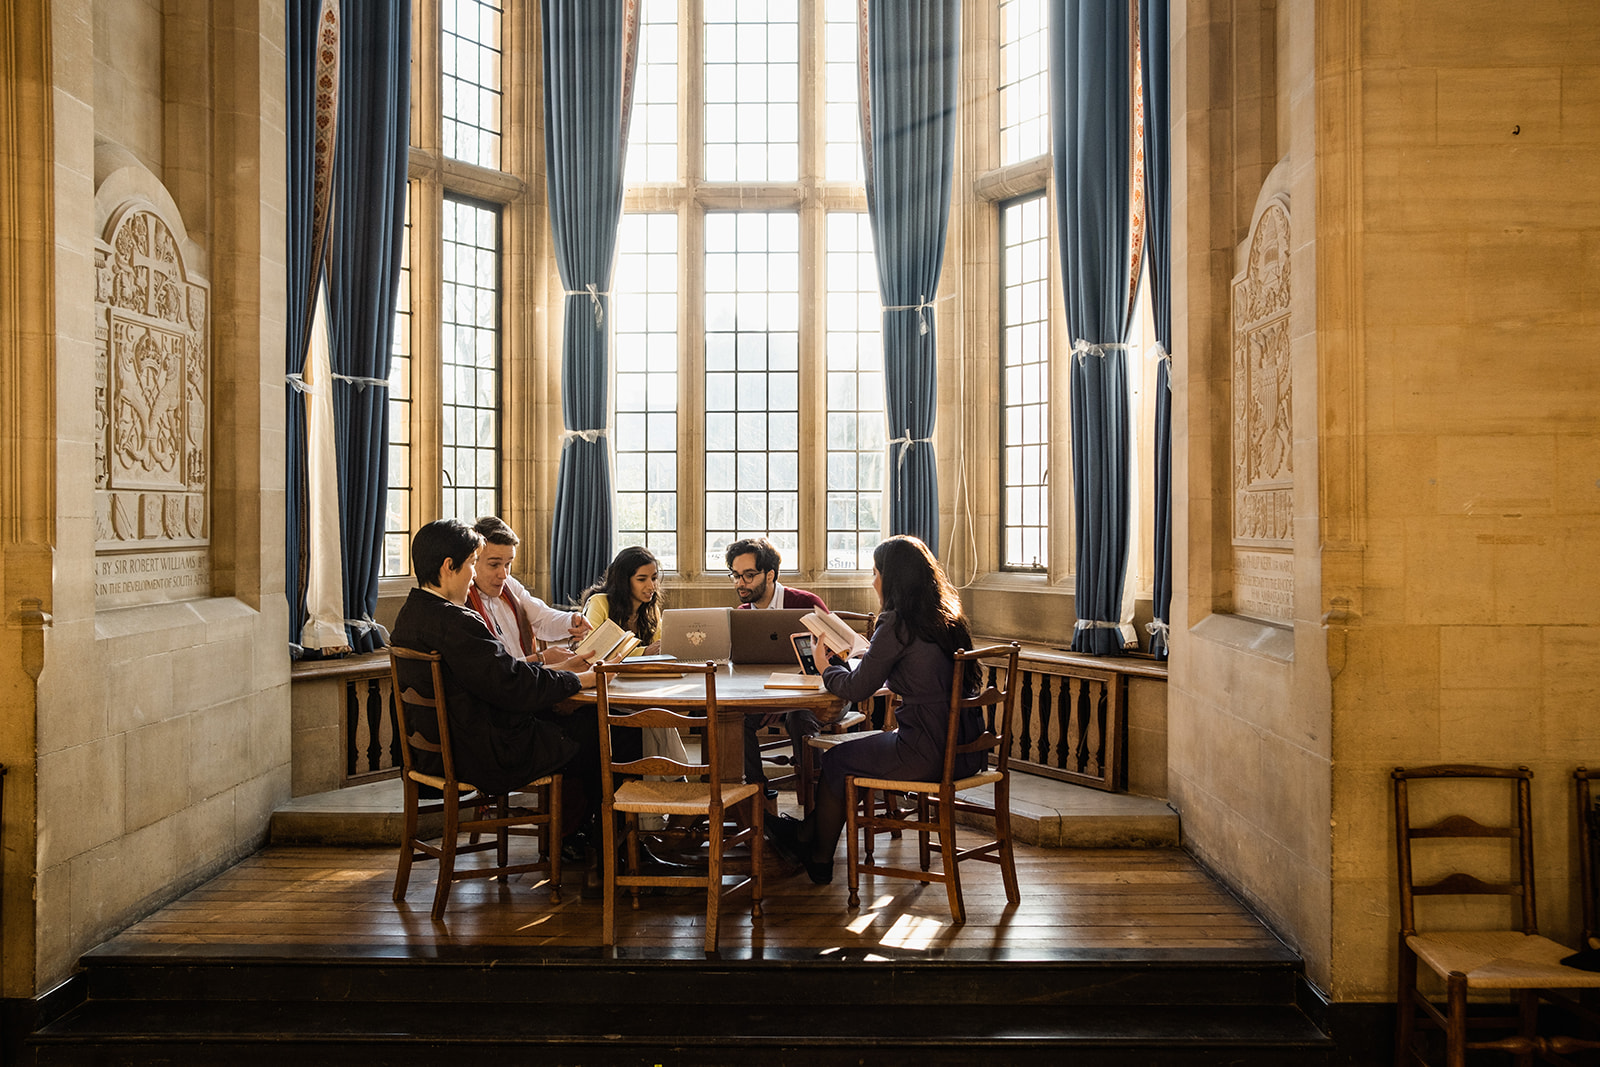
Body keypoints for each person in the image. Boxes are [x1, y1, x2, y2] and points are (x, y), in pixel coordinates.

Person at [390, 519, 605, 875]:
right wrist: (577, 679)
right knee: (603, 734)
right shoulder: (457, 621)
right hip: (482, 754)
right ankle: (608, 855)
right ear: (449, 566)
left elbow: (500, 676)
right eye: (472, 564)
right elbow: (513, 685)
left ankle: (584, 842)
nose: (473, 574)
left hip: (439, 752)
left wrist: (561, 673)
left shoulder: (411, 614)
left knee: (580, 727)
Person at [767, 535, 985, 885]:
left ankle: (817, 858)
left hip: (925, 750)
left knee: (836, 761)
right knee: (845, 757)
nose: (873, 581)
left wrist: (826, 667)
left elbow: (857, 689)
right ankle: (804, 836)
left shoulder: (896, 623)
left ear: (892, 577)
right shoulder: (949, 618)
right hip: (965, 749)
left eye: (875, 572)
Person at [725, 537, 829, 795]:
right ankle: (757, 796)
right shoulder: (741, 614)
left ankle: (818, 799)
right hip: (763, 697)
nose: (740, 583)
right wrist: (769, 701)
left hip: (809, 697)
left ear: (770, 574)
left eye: (749, 575)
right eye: (736, 575)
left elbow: (832, 658)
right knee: (735, 720)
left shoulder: (806, 604)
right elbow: (740, 668)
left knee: (800, 719)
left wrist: (784, 701)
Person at [582, 546, 688, 783]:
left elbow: (660, 650)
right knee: (655, 717)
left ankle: (659, 792)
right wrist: (644, 652)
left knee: (655, 715)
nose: (651, 586)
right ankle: (675, 781)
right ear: (623, 580)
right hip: (607, 691)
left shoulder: (650, 610)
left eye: (654, 578)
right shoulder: (600, 602)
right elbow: (592, 652)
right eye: (642, 579)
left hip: (640, 689)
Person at [468, 516, 591, 667]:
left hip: (527, 675)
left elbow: (541, 617)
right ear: (472, 561)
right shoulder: (462, 600)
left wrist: (572, 621)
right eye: (494, 565)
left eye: (508, 564)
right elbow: (491, 670)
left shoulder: (509, 584)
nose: (504, 574)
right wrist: (540, 659)